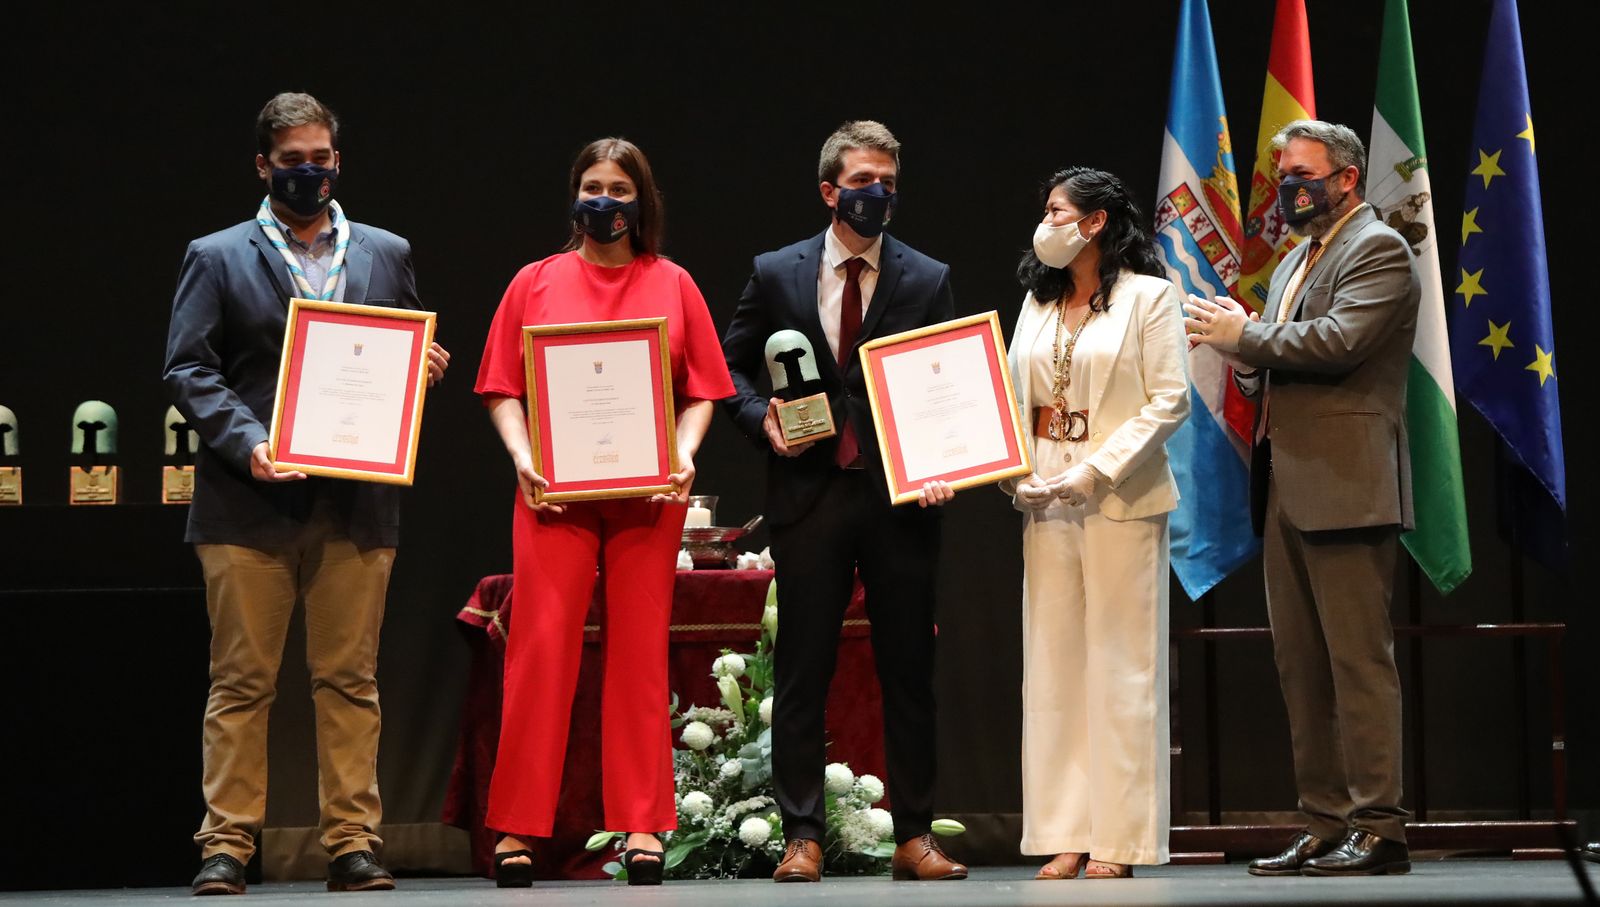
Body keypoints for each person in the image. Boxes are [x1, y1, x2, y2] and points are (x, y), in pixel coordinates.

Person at [164, 92, 450, 896]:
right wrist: (250, 443)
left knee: (350, 679)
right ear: (263, 166)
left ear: (337, 160)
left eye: (320, 159)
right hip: (246, 501)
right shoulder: (216, 255)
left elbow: (393, 351)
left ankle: (353, 842)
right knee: (242, 682)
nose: (309, 173)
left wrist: (418, 370)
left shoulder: (384, 251)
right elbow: (189, 368)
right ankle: (227, 845)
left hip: (355, 504)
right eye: (292, 161)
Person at [474, 138, 735, 888]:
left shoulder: (674, 282)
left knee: (639, 659)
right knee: (540, 654)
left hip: (649, 499)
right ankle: (519, 828)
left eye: (620, 188)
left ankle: (644, 822)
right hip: (553, 495)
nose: (605, 200)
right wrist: (522, 456)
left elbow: (704, 390)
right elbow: (501, 386)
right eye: (592, 185)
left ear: (641, 200)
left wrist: (684, 455)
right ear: (573, 195)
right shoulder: (536, 282)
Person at [720, 120, 966, 884]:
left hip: (899, 496)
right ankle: (802, 835)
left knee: (908, 670)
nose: (877, 194)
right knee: (802, 667)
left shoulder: (926, 276)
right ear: (830, 190)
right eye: (863, 181)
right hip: (810, 495)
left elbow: (947, 378)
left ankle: (915, 835)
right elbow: (728, 367)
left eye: (888, 182)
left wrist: (948, 458)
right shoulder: (776, 272)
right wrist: (761, 418)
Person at [1185, 119, 1419, 877]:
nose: (1288, 187)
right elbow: (1273, 354)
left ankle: (1380, 826)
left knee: (1357, 663)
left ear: (1346, 178)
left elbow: (1338, 340)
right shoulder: (1294, 259)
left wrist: (1243, 337)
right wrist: (1242, 350)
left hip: (1348, 486)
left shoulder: (1376, 247)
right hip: (1286, 482)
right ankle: (1323, 819)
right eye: (1283, 173)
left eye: (1301, 174)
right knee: (1301, 666)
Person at [999, 167, 1188, 880]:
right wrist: (1017, 471)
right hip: (1046, 493)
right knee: (1051, 667)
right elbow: (1013, 394)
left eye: (1056, 210)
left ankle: (1122, 836)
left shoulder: (1150, 297)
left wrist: (1094, 469)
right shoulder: (1037, 300)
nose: (1044, 222)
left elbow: (1169, 401)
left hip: (1118, 494)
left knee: (1121, 665)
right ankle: (1065, 829)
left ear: (1095, 222)